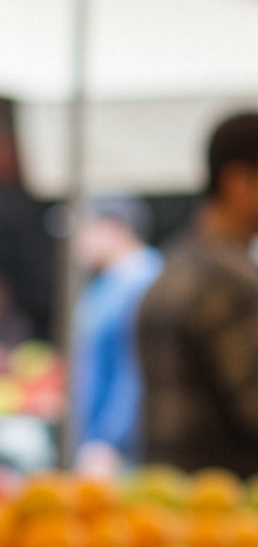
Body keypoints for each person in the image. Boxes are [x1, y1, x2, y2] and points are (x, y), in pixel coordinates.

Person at [138, 113, 258, 476]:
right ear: (237, 181)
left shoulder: (170, 266)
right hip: (227, 509)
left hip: (168, 500)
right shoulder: (230, 281)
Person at [71, 198, 163, 461]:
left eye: (85, 227)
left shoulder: (143, 281)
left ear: (115, 228)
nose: (78, 239)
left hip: (122, 451)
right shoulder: (107, 283)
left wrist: (110, 441)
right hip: (95, 441)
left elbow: (137, 370)